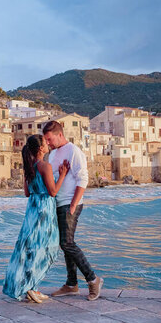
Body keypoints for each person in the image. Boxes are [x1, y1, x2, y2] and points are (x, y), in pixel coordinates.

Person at [3, 134, 69, 303]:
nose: (48, 144)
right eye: (45, 143)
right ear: (41, 149)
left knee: (30, 248)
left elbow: (27, 192)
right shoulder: (44, 166)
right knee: (49, 248)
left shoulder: (29, 166)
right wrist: (62, 174)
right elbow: (53, 192)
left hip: (32, 209)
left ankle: (31, 287)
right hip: (44, 210)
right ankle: (31, 286)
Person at [43, 120, 103, 301]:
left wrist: (74, 204)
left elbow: (82, 179)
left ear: (59, 134)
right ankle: (71, 284)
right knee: (65, 244)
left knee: (67, 243)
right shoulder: (53, 154)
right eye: (45, 140)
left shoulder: (74, 151)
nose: (47, 143)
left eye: (49, 139)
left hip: (70, 203)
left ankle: (93, 280)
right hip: (58, 204)